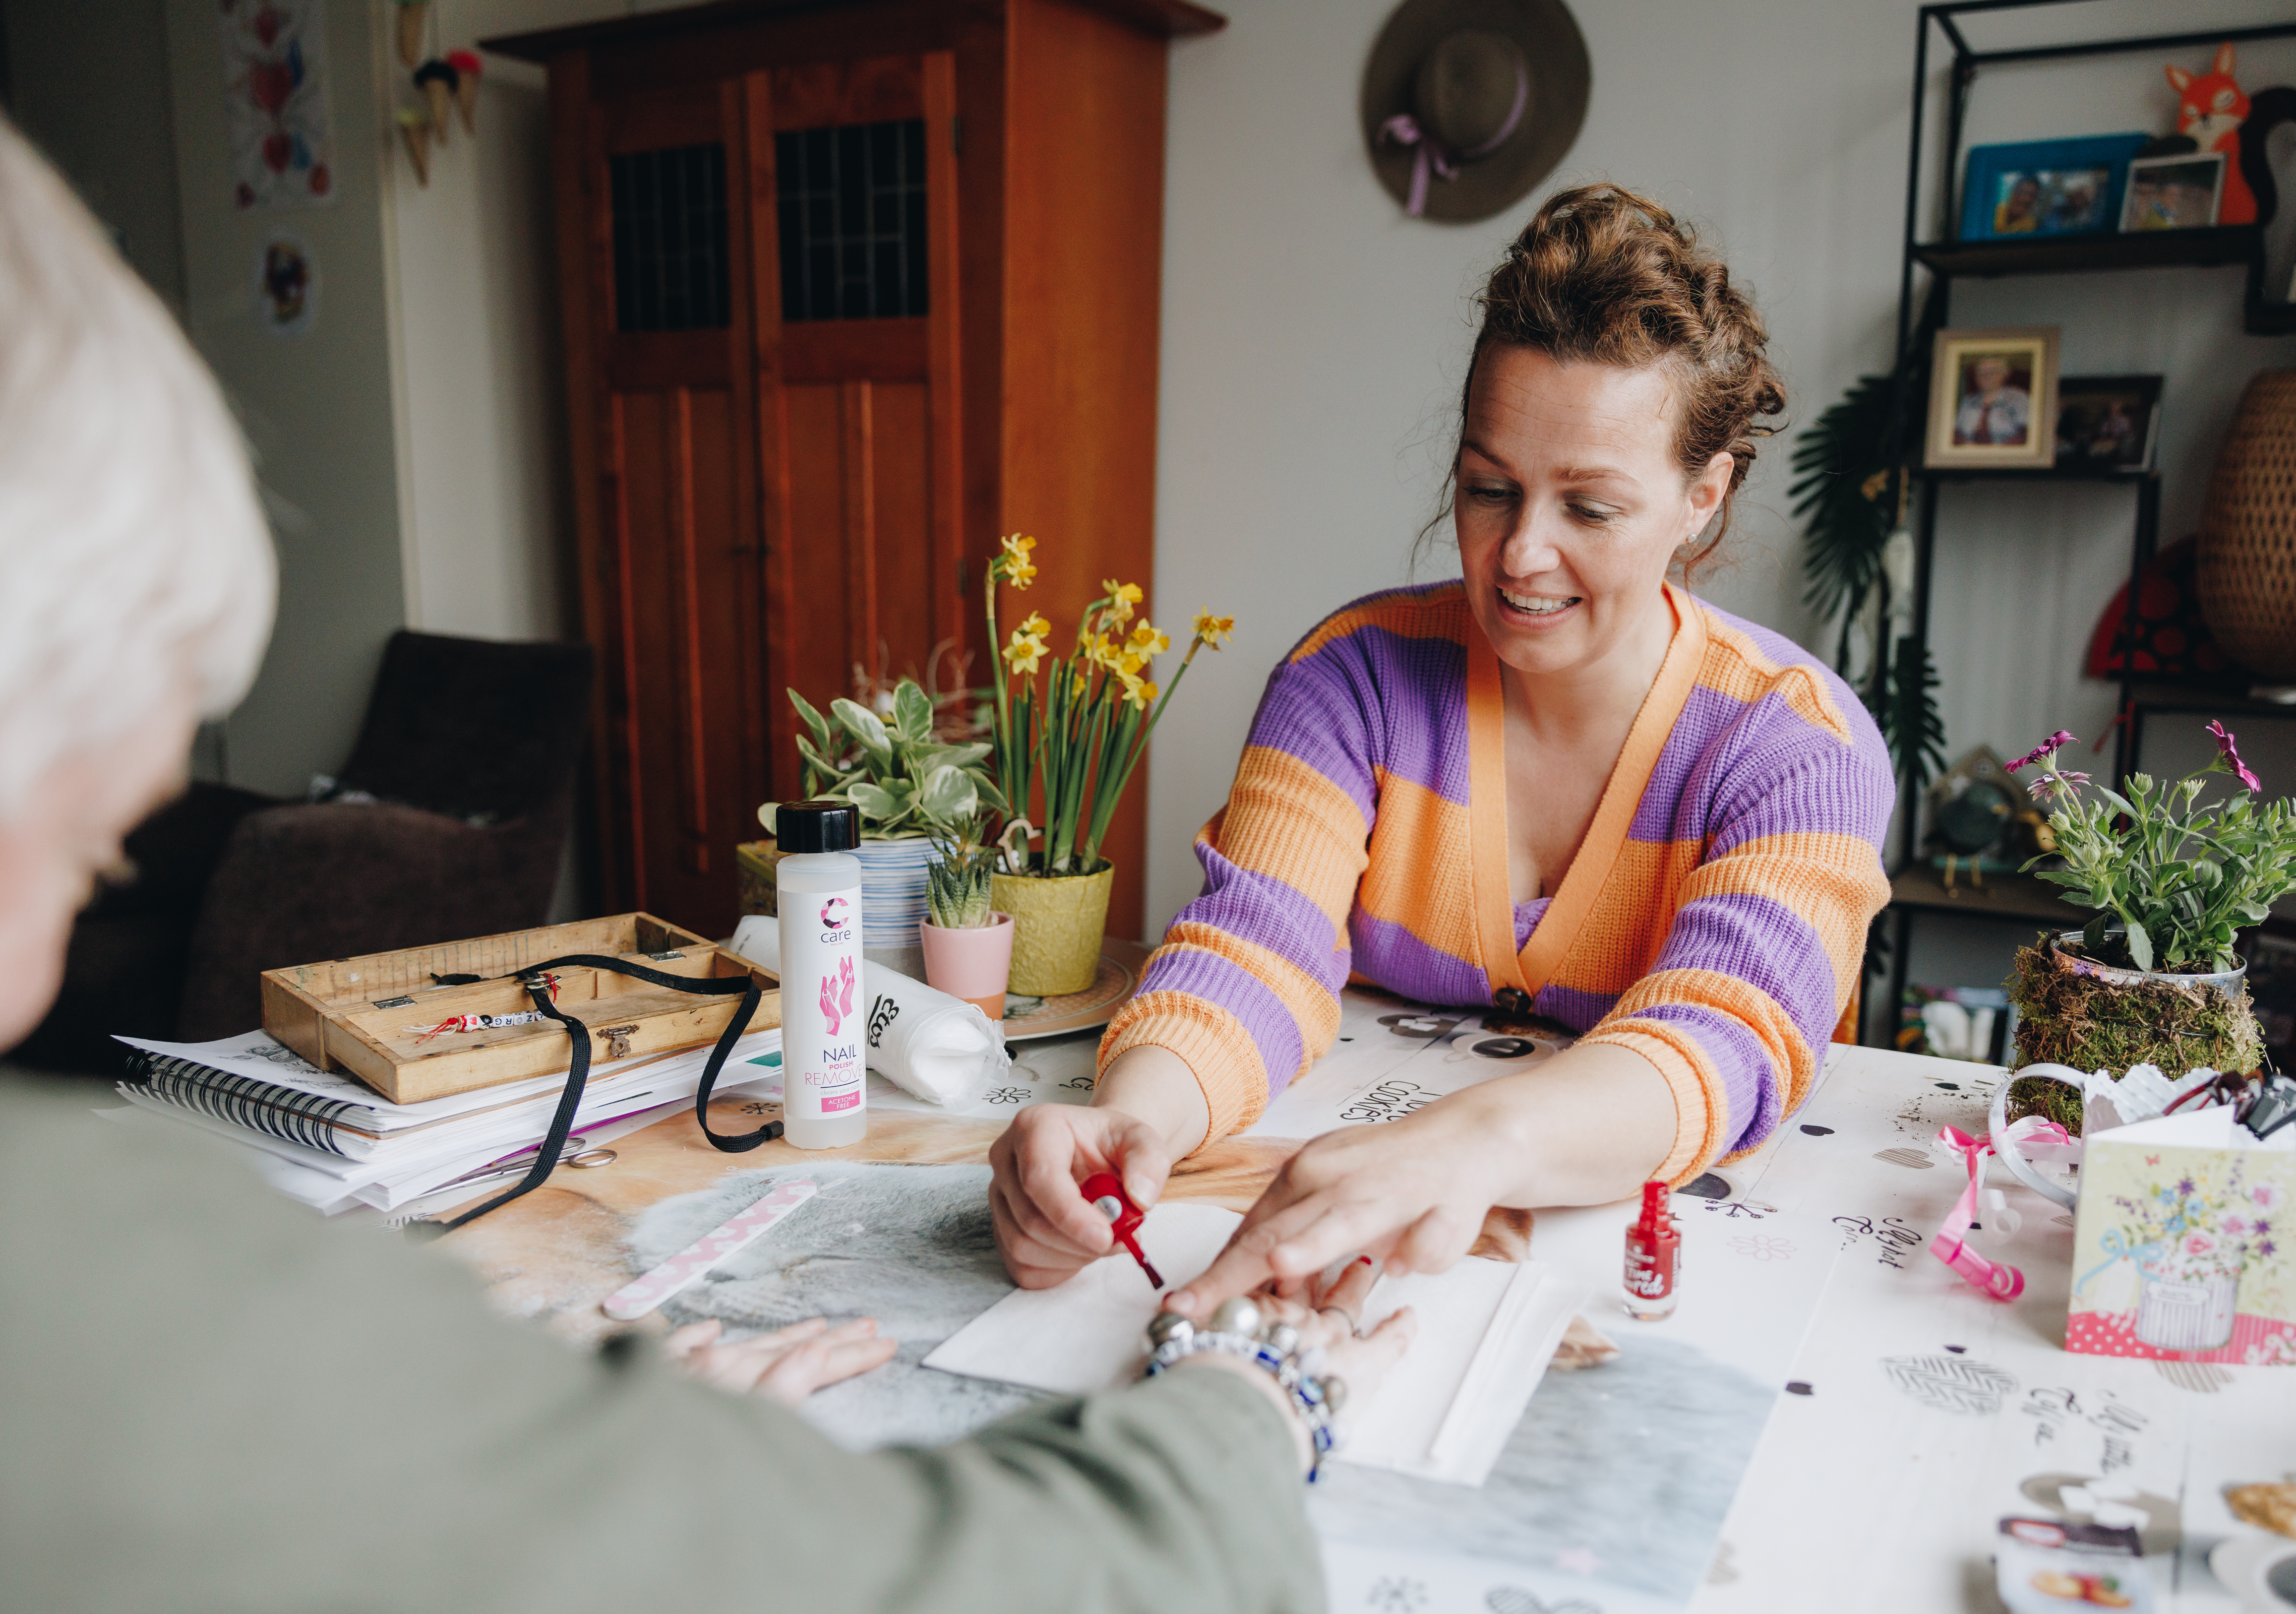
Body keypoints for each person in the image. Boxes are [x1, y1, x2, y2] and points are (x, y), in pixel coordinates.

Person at [0, 116, 1411, 1612]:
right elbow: (1039, 1581)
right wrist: (1259, 1386)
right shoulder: (83, 1297)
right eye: (84, 852)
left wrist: (527, 1452)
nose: (45, 972)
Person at [989, 184, 1894, 1318]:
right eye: (1489, 488)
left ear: (1701, 499)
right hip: (1374, 1247)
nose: (1521, 554)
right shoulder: (1352, 677)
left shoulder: (1797, 743)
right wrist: (1137, 1117)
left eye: (1591, 508)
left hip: (1651, 1290)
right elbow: (1251, 950)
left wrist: (1463, 1145)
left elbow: (1726, 1031)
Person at [1953, 354, 2031, 447]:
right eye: (1981, 373)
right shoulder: (1968, 402)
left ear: (2004, 374)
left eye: (1991, 373)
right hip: (1970, 455)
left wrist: (2000, 450)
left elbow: (2027, 434)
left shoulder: (2018, 398)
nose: (1985, 377)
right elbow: (1955, 433)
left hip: (2008, 456)